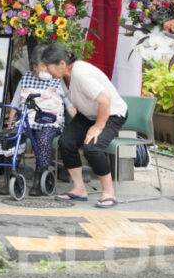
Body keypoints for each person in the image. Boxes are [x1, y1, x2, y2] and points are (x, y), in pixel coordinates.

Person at [35, 43, 127, 208]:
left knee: (92, 147)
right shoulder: (63, 76)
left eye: (49, 68)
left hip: (111, 113)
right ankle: (79, 189)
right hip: (88, 114)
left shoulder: (81, 73)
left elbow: (105, 99)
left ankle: (109, 193)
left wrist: (98, 127)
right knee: (66, 142)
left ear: (62, 64)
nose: (48, 72)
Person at [4, 44, 75, 196]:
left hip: (50, 122)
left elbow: (70, 106)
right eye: (43, 66)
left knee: (43, 139)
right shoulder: (26, 78)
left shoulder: (58, 80)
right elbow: (15, 105)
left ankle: (40, 176)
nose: (47, 70)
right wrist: (10, 125)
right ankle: (11, 176)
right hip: (26, 120)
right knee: (12, 137)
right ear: (34, 67)